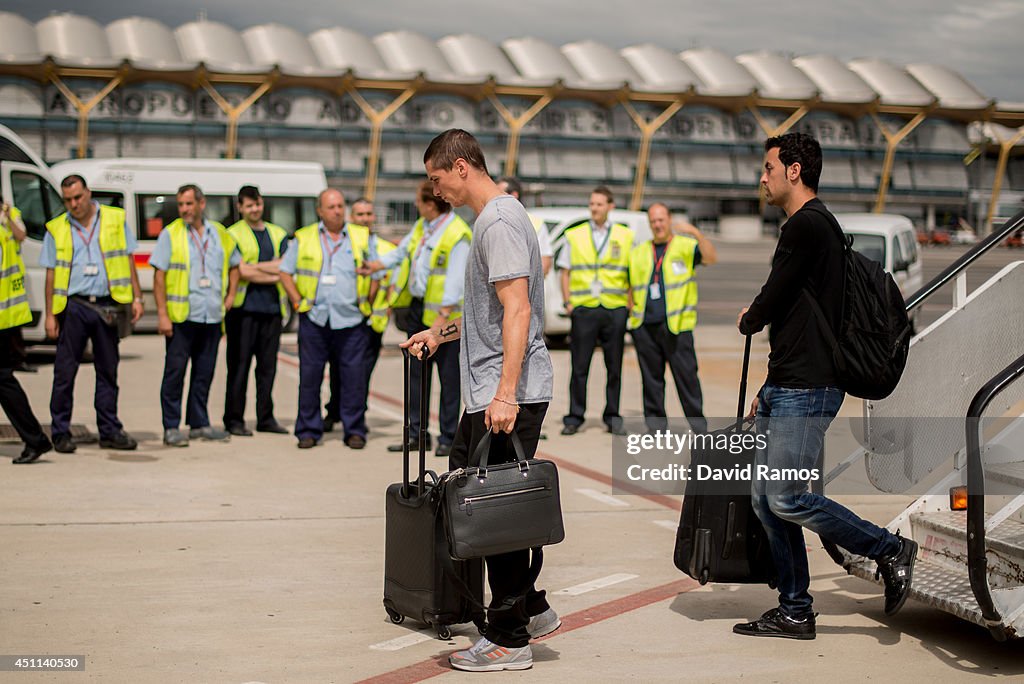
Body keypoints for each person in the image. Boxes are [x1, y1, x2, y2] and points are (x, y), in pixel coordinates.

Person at [734, 132, 917, 640]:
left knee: (788, 497)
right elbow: (798, 318)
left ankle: (889, 548)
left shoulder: (808, 225)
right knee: (764, 500)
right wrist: (768, 385)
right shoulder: (814, 227)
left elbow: (772, 300)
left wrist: (750, 317)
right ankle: (794, 609)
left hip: (808, 388)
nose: (763, 177)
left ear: (795, 171)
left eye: (769, 167)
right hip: (788, 383)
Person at [403, 128, 557, 672]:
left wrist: (506, 393)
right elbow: (489, 313)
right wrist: (440, 334)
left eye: (438, 177)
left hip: (503, 393)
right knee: (482, 503)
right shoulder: (495, 220)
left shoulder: (498, 221)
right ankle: (531, 610)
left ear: (462, 167)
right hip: (490, 389)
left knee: (493, 515)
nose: (436, 188)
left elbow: (517, 310)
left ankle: (510, 640)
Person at [362, 181, 470, 458]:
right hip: (418, 308)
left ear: (431, 204)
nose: (417, 206)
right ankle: (416, 434)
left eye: (419, 202)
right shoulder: (423, 227)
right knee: (416, 377)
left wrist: (442, 317)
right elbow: (401, 253)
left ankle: (447, 436)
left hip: (445, 316)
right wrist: (376, 265)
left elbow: (456, 279)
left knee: (448, 379)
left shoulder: (456, 233)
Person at [41, 175, 144, 453]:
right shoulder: (57, 228)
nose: (74, 204)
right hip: (73, 306)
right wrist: (51, 314)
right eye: (68, 200)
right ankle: (60, 432)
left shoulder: (114, 219)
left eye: (78, 197)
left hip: (107, 305)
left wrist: (136, 296)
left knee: (107, 371)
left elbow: (127, 259)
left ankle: (109, 430)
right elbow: (51, 273)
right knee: (64, 372)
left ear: (88, 193)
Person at [280, 189, 374, 450]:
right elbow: (285, 272)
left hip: (352, 319)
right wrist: (298, 302)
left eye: (340, 206)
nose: (337, 211)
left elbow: (376, 272)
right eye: (331, 207)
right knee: (310, 377)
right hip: (315, 318)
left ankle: (354, 429)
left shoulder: (361, 236)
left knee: (354, 378)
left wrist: (368, 301)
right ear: (320, 211)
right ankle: (308, 430)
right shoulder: (304, 237)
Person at [151, 184, 239, 447]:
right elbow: (159, 276)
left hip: (211, 315)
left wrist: (231, 296)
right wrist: (163, 315)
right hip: (182, 317)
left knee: (204, 372)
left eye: (189, 204)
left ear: (202, 204)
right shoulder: (171, 234)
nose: (184, 210)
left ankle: (199, 423)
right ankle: (171, 425)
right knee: (175, 373)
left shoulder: (221, 234)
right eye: (181, 205)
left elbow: (235, 265)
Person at [627, 203, 716, 433]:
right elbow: (630, 285)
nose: (657, 225)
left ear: (669, 220)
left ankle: (699, 427)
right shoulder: (639, 252)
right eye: (653, 221)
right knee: (652, 381)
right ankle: (656, 428)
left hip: (676, 327)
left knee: (687, 378)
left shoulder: (685, 246)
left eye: (661, 220)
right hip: (645, 326)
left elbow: (710, 257)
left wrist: (695, 233)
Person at [556, 186, 634, 436]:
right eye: (591, 204)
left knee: (614, 366)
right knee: (580, 366)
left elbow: (633, 272)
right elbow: (564, 270)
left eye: (599, 204)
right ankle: (574, 416)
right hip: (585, 308)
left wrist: (629, 304)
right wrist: (569, 303)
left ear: (610, 206)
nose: (594, 208)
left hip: (614, 308)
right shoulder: (575, 235)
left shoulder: (625, 236)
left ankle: (612, 416)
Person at [223, 185, 289, 436]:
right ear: (240, 208)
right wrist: (270, 269)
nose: (254, 209)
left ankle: (265, 418)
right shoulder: (232, 234)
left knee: (267, 368)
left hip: (271, 311)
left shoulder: (277, 233)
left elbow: (285, 268)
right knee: (238, 367)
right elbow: (240, 271)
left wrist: (254, 269)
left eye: (257, 204)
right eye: (248, 205)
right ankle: (234, 419)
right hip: (243, 311)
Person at [324, 197, 392, 432]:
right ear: (352, 218)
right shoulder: (347, 242)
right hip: (348, 315)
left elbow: (394, 283)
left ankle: (355, 414)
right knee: (337, 368)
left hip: (374, 320)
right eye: (360, 214)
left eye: (368, 214)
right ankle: (334, 410)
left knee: (362, 371)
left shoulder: (386, 249)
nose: (365, 219)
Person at [0, 203, 52, 463]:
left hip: (3, 316)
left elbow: (20, 235)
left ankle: (35, 438)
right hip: (5, 315)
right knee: (4, 380)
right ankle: (35, 438)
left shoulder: (8, 217)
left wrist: (8, 216)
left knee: (3, 380)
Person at [496, 176, 553, 276]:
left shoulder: (535, 223)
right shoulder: (493, 222)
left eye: (499, 194)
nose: (494, 199)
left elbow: (545, 262)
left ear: (514, 195)